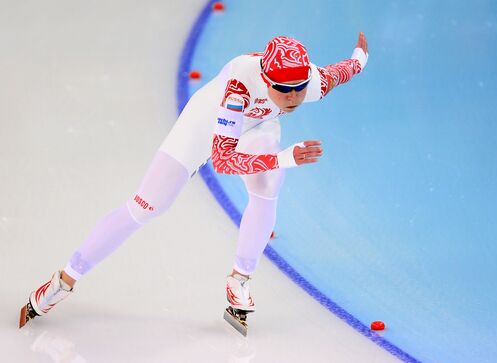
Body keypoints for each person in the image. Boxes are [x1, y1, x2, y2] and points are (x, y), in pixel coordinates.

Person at [20, 32, 369, 327]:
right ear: (266, 79)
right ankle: (63, 281)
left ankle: (240, 280)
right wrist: (284, 157)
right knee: (146, 207)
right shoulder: (238, 89)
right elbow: (223, 160)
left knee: (268, 184)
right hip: (202, 128)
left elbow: (343, 71)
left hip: (256, 130)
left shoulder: (310, 83)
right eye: (283, 89)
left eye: (299, 87)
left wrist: (360, 56)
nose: (293, 97)